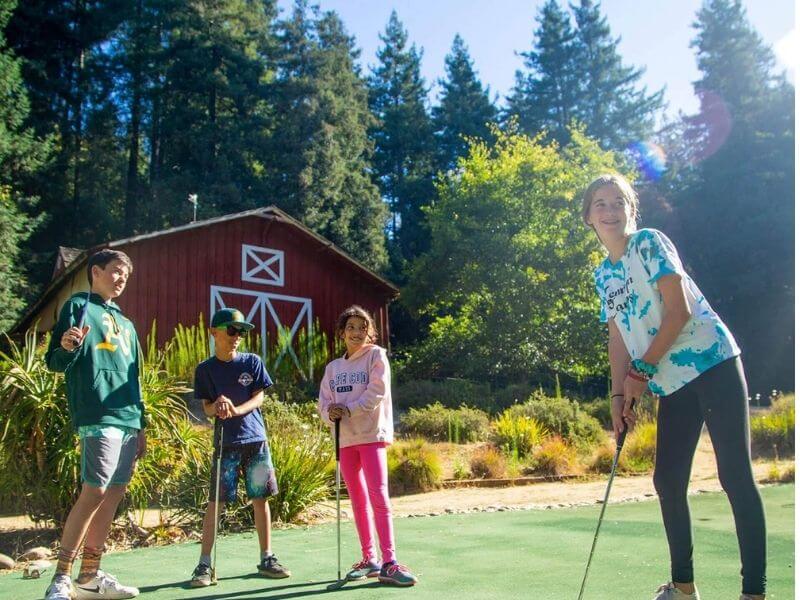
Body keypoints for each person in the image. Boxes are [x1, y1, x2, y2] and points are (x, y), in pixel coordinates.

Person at [582, 173, 766, 600]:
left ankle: (753, 593)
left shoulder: (649, 243)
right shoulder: (603, 276)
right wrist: (617, 395)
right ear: (588, 217)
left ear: (632, 209)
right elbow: (617, 337)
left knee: (734, 476)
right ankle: (683, 587)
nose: (610, 211)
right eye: (600, 204)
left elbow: (679, 311)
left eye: (618, 202)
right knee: (667, 480)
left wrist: (640, 373)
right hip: (670, 381)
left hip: (712, 362)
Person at [44, 249, 145, 600]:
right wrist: (68, 347)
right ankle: (60, 577)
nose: (121, 279)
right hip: (97, 412)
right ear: (96, 271)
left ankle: (89, 576)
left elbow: (137, 378)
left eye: (126, 276)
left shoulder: (128, 324)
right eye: (116, 271)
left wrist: (141, 425)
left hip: (128, 417)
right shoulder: (78, 306)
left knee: (114, 493)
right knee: (96, 490)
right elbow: (55, 363)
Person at [188, 308, 290, 587]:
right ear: (214, 332)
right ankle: (204, 564)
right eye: (231, 330)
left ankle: (267, 557)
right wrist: (218, 406)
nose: (237, 337)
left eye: (241, 332)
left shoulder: (252, 362)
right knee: (215, 503)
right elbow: (207, 408)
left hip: (255, 442)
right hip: (225, 445)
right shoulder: (205, 370)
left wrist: (235, 409)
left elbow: (259, 399)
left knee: (261, 499)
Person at [318, 305, 418, 587]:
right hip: (346, 440)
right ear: (341, 333)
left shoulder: (376, 356)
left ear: (370, 332)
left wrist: (347, 409)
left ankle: (390, 561)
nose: (357, 332)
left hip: (372, 435)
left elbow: (376, 392)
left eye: (363, 327)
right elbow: (323, 404)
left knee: (379, 497)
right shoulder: (333, 368)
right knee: (358, 501)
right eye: (351, 327)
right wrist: (331, 414)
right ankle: (369, 558)